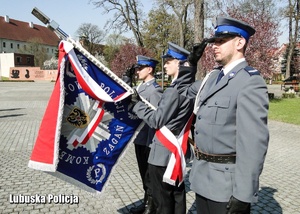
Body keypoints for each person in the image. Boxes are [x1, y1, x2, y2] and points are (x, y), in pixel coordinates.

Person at [177, 16, 270, 214]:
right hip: (202, 180)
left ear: (240, 42)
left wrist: (243, 194)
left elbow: (253, 144)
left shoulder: (250, 82)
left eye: (221, 41)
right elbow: (181, 94)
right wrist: (189, 66)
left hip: (227, 187)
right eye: (214, 42)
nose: (214, 46)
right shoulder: (211, 78)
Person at [132, 42, 195, 214]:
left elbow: (156, 120)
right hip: (176, 151)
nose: (165, 65)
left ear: (179, 64)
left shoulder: (173, 91)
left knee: (163, 203)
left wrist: (137, 105)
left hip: (163, 152)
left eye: (168, 61)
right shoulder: (188, 88)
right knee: (177, 198)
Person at [129, 55, 163, 214]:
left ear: (149, 69)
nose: (137, 71)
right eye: (137, 68)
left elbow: (156, 119)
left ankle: (151, 206)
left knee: (149, 176)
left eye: (140, 68)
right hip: (140, 138)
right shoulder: (141, 88)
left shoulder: (154, 91)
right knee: (144, 173)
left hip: (149, 140)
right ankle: (147, 202)